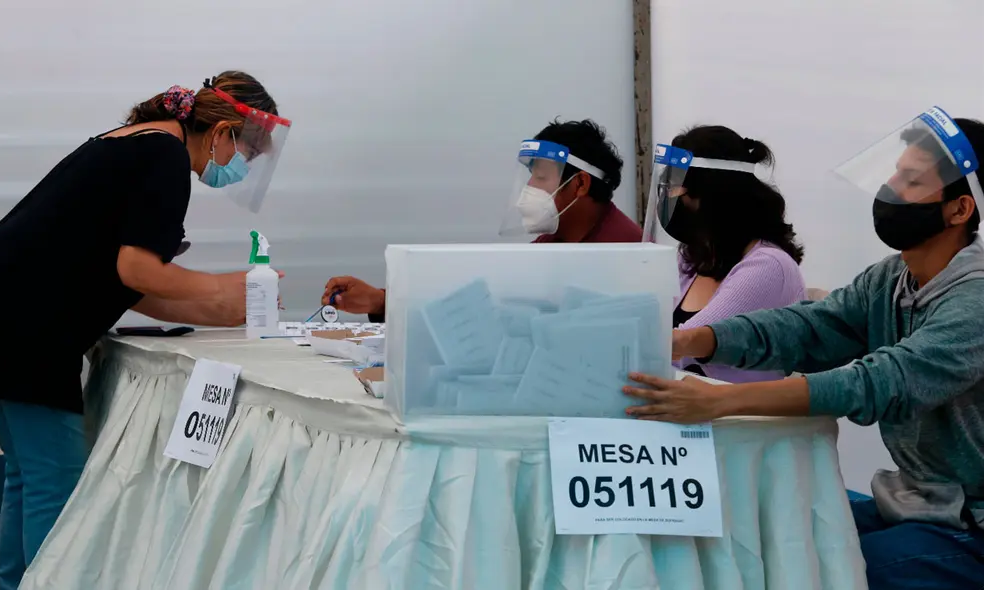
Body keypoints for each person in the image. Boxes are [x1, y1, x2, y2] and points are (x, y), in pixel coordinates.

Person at [624, 110, 984, 589]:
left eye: (910, 180)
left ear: (959, 210)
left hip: (969, 524)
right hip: (915, 501)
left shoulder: (974, 299)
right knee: (771, 536)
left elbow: (883, 380)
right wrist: (697, 338)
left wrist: (721, 400)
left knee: (818, 569)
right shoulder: (890, 279)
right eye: (894, 172)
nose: (889, 188)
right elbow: (811, 327)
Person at [0, 71, 290, 589]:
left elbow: (120, 279)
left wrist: (219, 312)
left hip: (5, 314)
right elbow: (138, 271)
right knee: (56, 480)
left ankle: (19, 583)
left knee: (27, 474)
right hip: (29, 330)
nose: (240, 169)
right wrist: (224, 288)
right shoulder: (164, 157)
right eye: (247, 154)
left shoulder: (138, 142)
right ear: (222, 133)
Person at [322, 118, 642, 320]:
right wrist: (382, 301)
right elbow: (488, 298)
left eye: (541, 177)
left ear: (580, 184)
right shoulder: (555, 240)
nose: (529, 189)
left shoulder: (625, 252)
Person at [648, 126, 806, 382]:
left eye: (674, 189)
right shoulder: (694, 258)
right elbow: (647, 319)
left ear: (711, 193)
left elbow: (680, 346)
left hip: (738, 419)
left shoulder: (768, 267)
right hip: (685, 410)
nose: (666, 200)